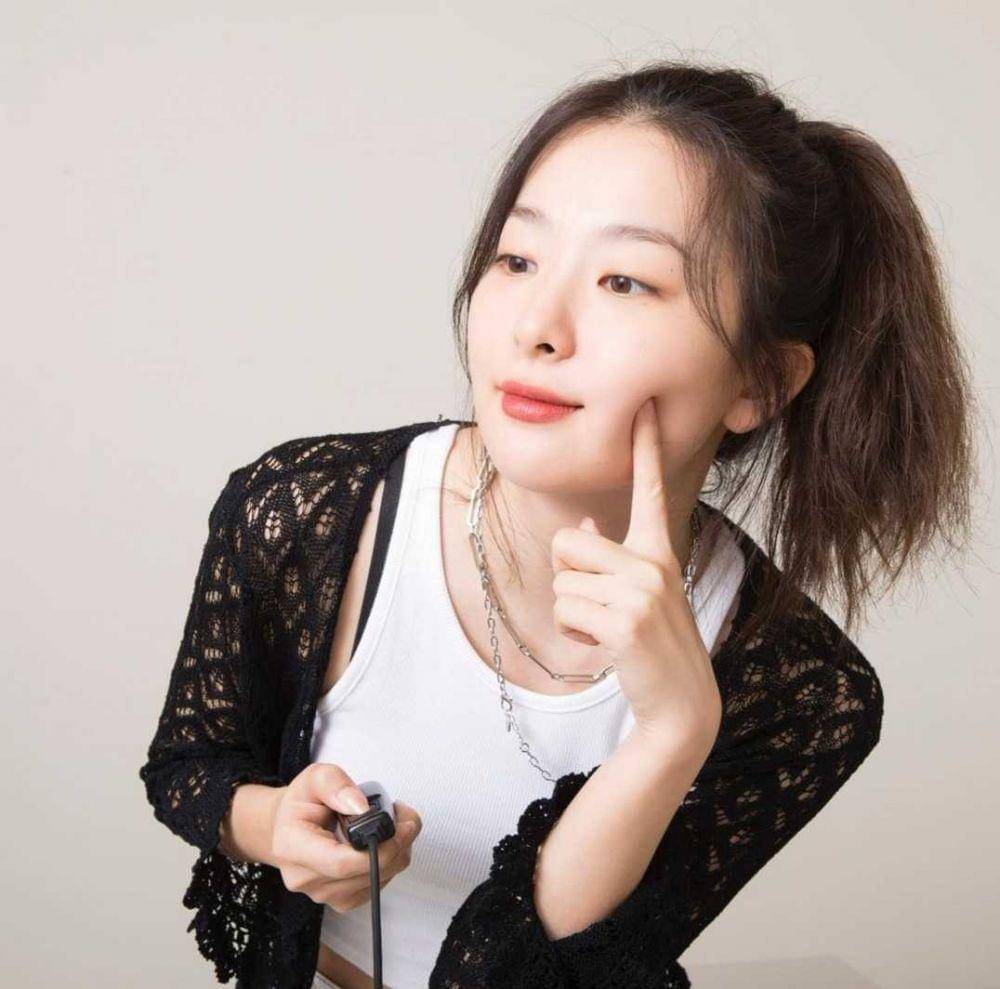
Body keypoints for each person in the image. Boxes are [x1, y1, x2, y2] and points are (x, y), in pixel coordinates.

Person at [139, 59, 977, 988]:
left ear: (761, 380)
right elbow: (188, 763)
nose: (536, 324)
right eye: (517, 259)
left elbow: (539, 972)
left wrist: (674, 728)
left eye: (626, 281)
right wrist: (269, 823)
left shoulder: (801, 691)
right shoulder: (305, 510)